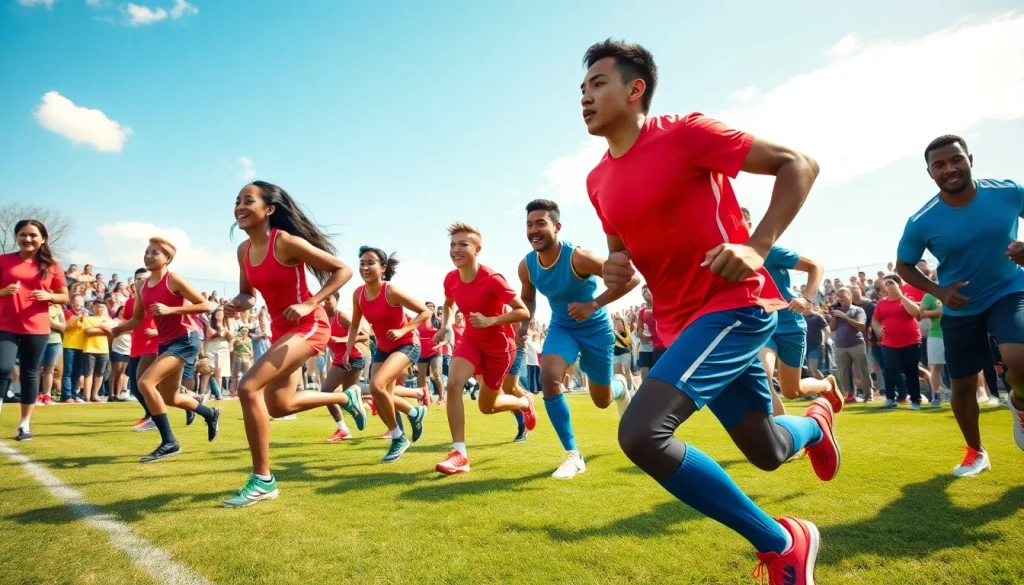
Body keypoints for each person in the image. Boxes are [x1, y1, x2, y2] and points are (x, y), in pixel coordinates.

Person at [581, 40, 838, 583]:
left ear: (635, 89)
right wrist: (615, 271)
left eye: (598, 83)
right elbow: (621, 256)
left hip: (734, 307)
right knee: (767, 449)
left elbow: (800, 164)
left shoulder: (685, 133)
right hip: (679, 327)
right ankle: (816, 424)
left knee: (642, 433)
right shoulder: (596, 180)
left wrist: (758, 246)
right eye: (582, 88)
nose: (585, 96)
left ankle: (782, 544)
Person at [895, 135, 1024, 477]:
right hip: (961, 306)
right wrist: (938, 290)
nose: (949, 169)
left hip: (1010, 289)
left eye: (955, 160)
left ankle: (1020, 405)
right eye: (939, 165)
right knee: (963, 386)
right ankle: (976, 452)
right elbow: (903, 265)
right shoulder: (922, 221)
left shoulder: (1009, 192)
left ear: (970, 159)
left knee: (1019, 358)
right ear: (930, 173)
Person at [221, 181, 354, 507]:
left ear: (269, 209)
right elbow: (248, 295)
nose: (239, 207)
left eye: (248, 201)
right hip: (282, 333)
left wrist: (311, 303)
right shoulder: (243, 251)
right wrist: (236, 303)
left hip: (310, 326)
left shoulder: (285, 242)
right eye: (237, 201)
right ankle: (344, 397)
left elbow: (343, 270)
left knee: (248, 387)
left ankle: (263, 480)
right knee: (279, 406)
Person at [516, 199, 635, 479]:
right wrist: (524, 324)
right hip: (562, 328)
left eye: (540, 223)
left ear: (557, 227)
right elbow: (528, 298)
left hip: (596, 329)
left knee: (602, 400)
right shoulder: (527, 265)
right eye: (529, 225)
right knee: (549, 377)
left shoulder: (579, 257)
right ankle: (573, 455)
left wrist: (592, 305)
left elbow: (630, 280)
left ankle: (620, 387)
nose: (533, 230)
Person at [434, 222, 534, 475]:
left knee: (487, 407)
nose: (456, 250)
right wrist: (446, 326)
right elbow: (448, 304)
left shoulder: (492, 279)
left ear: (477, 250)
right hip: (471, 341)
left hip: (499, 348)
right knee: (453, 383)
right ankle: (460, 454)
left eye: (463, 244)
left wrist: (492, 320)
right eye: (452, 245)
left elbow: (523, 311)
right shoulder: (451, 278)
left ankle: (523, 401)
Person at [110, 237, 221, 462]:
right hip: (166, 342)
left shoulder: (174, 280)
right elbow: (138, 319)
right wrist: (120, 328)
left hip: (186, 339)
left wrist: (170, 310)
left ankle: (169, 442)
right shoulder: (141, 286)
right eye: (147, 252)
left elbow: (205, 305)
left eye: (155, 253)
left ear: (167, 259)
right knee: (170, 397)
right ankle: (210, 413)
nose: (148, 256)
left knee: (145, 382)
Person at [740, 209, 842, 415]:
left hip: (789, 326)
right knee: (762, 377)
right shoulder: (727, 255)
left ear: (749, 225)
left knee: (791, 391)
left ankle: (826, 384)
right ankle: (781, 435)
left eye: (738, 221)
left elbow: (815, 267)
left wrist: (807, 299)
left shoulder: (769, 251)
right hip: (761, 327)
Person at [343, 247, 431, 463]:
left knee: (376, 386)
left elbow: (425, 311)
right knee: (381, 396)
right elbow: (354, 324)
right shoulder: (358, 294)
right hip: (383, 348)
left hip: (407, 344)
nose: (365, 267)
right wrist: (348, 349)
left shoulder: (390, 290)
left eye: (370, 263)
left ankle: (398, 437)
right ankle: (414, 413)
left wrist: (403, 330)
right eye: (362, 263)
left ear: (383, 268)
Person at [0, 219, 70, 440]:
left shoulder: (52, 265)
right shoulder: (3, 260)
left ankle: (25, 424)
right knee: (3, 368)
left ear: (43, 239)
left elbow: (65, 297)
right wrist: (3, 292)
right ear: (16, 237)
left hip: (37, 326)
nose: (28, 239)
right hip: (5, 324)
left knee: (30, 373)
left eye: (33, 235)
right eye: (23, 234)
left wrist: (49, 296)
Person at [871, 274, 924, 410]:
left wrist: (901, 296)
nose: (888, 286)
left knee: (911, 371)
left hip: (911, 341)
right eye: (886, 284)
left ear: (898, 285)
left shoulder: (907, 299)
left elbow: (915, 312)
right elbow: (875, 320)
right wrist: (877, 329)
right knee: (889, 370)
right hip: (889, 343)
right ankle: (890, 399)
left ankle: (915, 400)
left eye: (891, 283)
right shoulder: (881, 303)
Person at [320, 292, 368, 443]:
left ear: (337, 300)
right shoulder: (321, 318)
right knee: (329, 393)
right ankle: (343, 428)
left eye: (329, 299)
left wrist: (343, 339)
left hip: (354, 358)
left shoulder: (341, 317)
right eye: (323, 299)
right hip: (338, 360)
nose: (325, 302)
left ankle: (374, 398)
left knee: (346, 395)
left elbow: (364, 335)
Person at [123, 268, 159, 431]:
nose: (141, 282)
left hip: (153, 344)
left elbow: (172, 320)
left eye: (144, 278)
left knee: (142, 383)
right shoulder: (130, 302)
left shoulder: (157, 299)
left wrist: (156, 331)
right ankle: (192, 399)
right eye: (138, 279)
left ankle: (154, 417)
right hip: (136, 345)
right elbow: (129, 321)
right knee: (134, 386)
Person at [636, 285, 664, 380]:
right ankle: (646, 388)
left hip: (662, 345)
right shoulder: (642, 311)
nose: (644, 293)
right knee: (644, 372)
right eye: (643, 292)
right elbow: (639, 329)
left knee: (658, 373)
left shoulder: (662, 307)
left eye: (646, 291)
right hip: (647, 345)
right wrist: (642, 335)